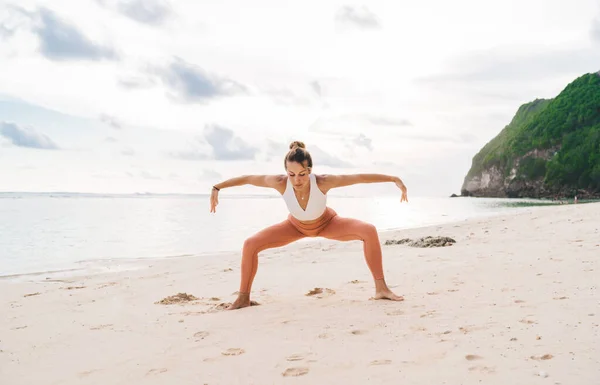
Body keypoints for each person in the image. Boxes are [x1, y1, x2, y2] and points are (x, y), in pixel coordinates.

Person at [209, 141, 408, 310]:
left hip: (328, 224)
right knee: (250, 244)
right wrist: (217, 187)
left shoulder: (323, 182)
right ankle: (244, 297)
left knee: (368, 230)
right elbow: (248, 179)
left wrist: (393, 179)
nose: (297, 180)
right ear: (286, 172)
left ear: (310, 171)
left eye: (302, 174)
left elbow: (359, 178)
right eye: (291, 174)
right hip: (295, 226)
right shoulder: (279, 182)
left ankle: (381, 289)